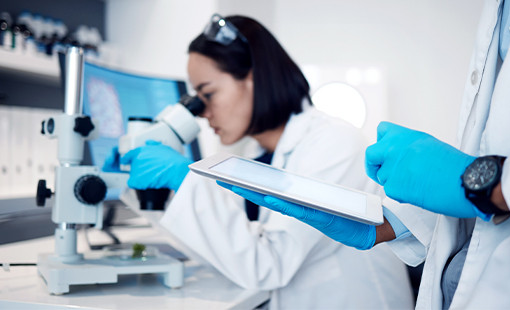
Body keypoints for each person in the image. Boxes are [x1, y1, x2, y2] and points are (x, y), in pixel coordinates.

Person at [224, 1, 510, 309]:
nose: (202, 114)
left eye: (207, 93)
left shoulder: (329, 136)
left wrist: (481, 181)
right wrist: (394, 221)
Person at [115, 14, 414, 309]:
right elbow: (228, 252)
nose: (202, 112)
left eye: (208, 94)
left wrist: (183, 180)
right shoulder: (251, 154)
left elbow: (266, 264)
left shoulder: (333, 143)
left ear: (253, 77)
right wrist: (144, 192)